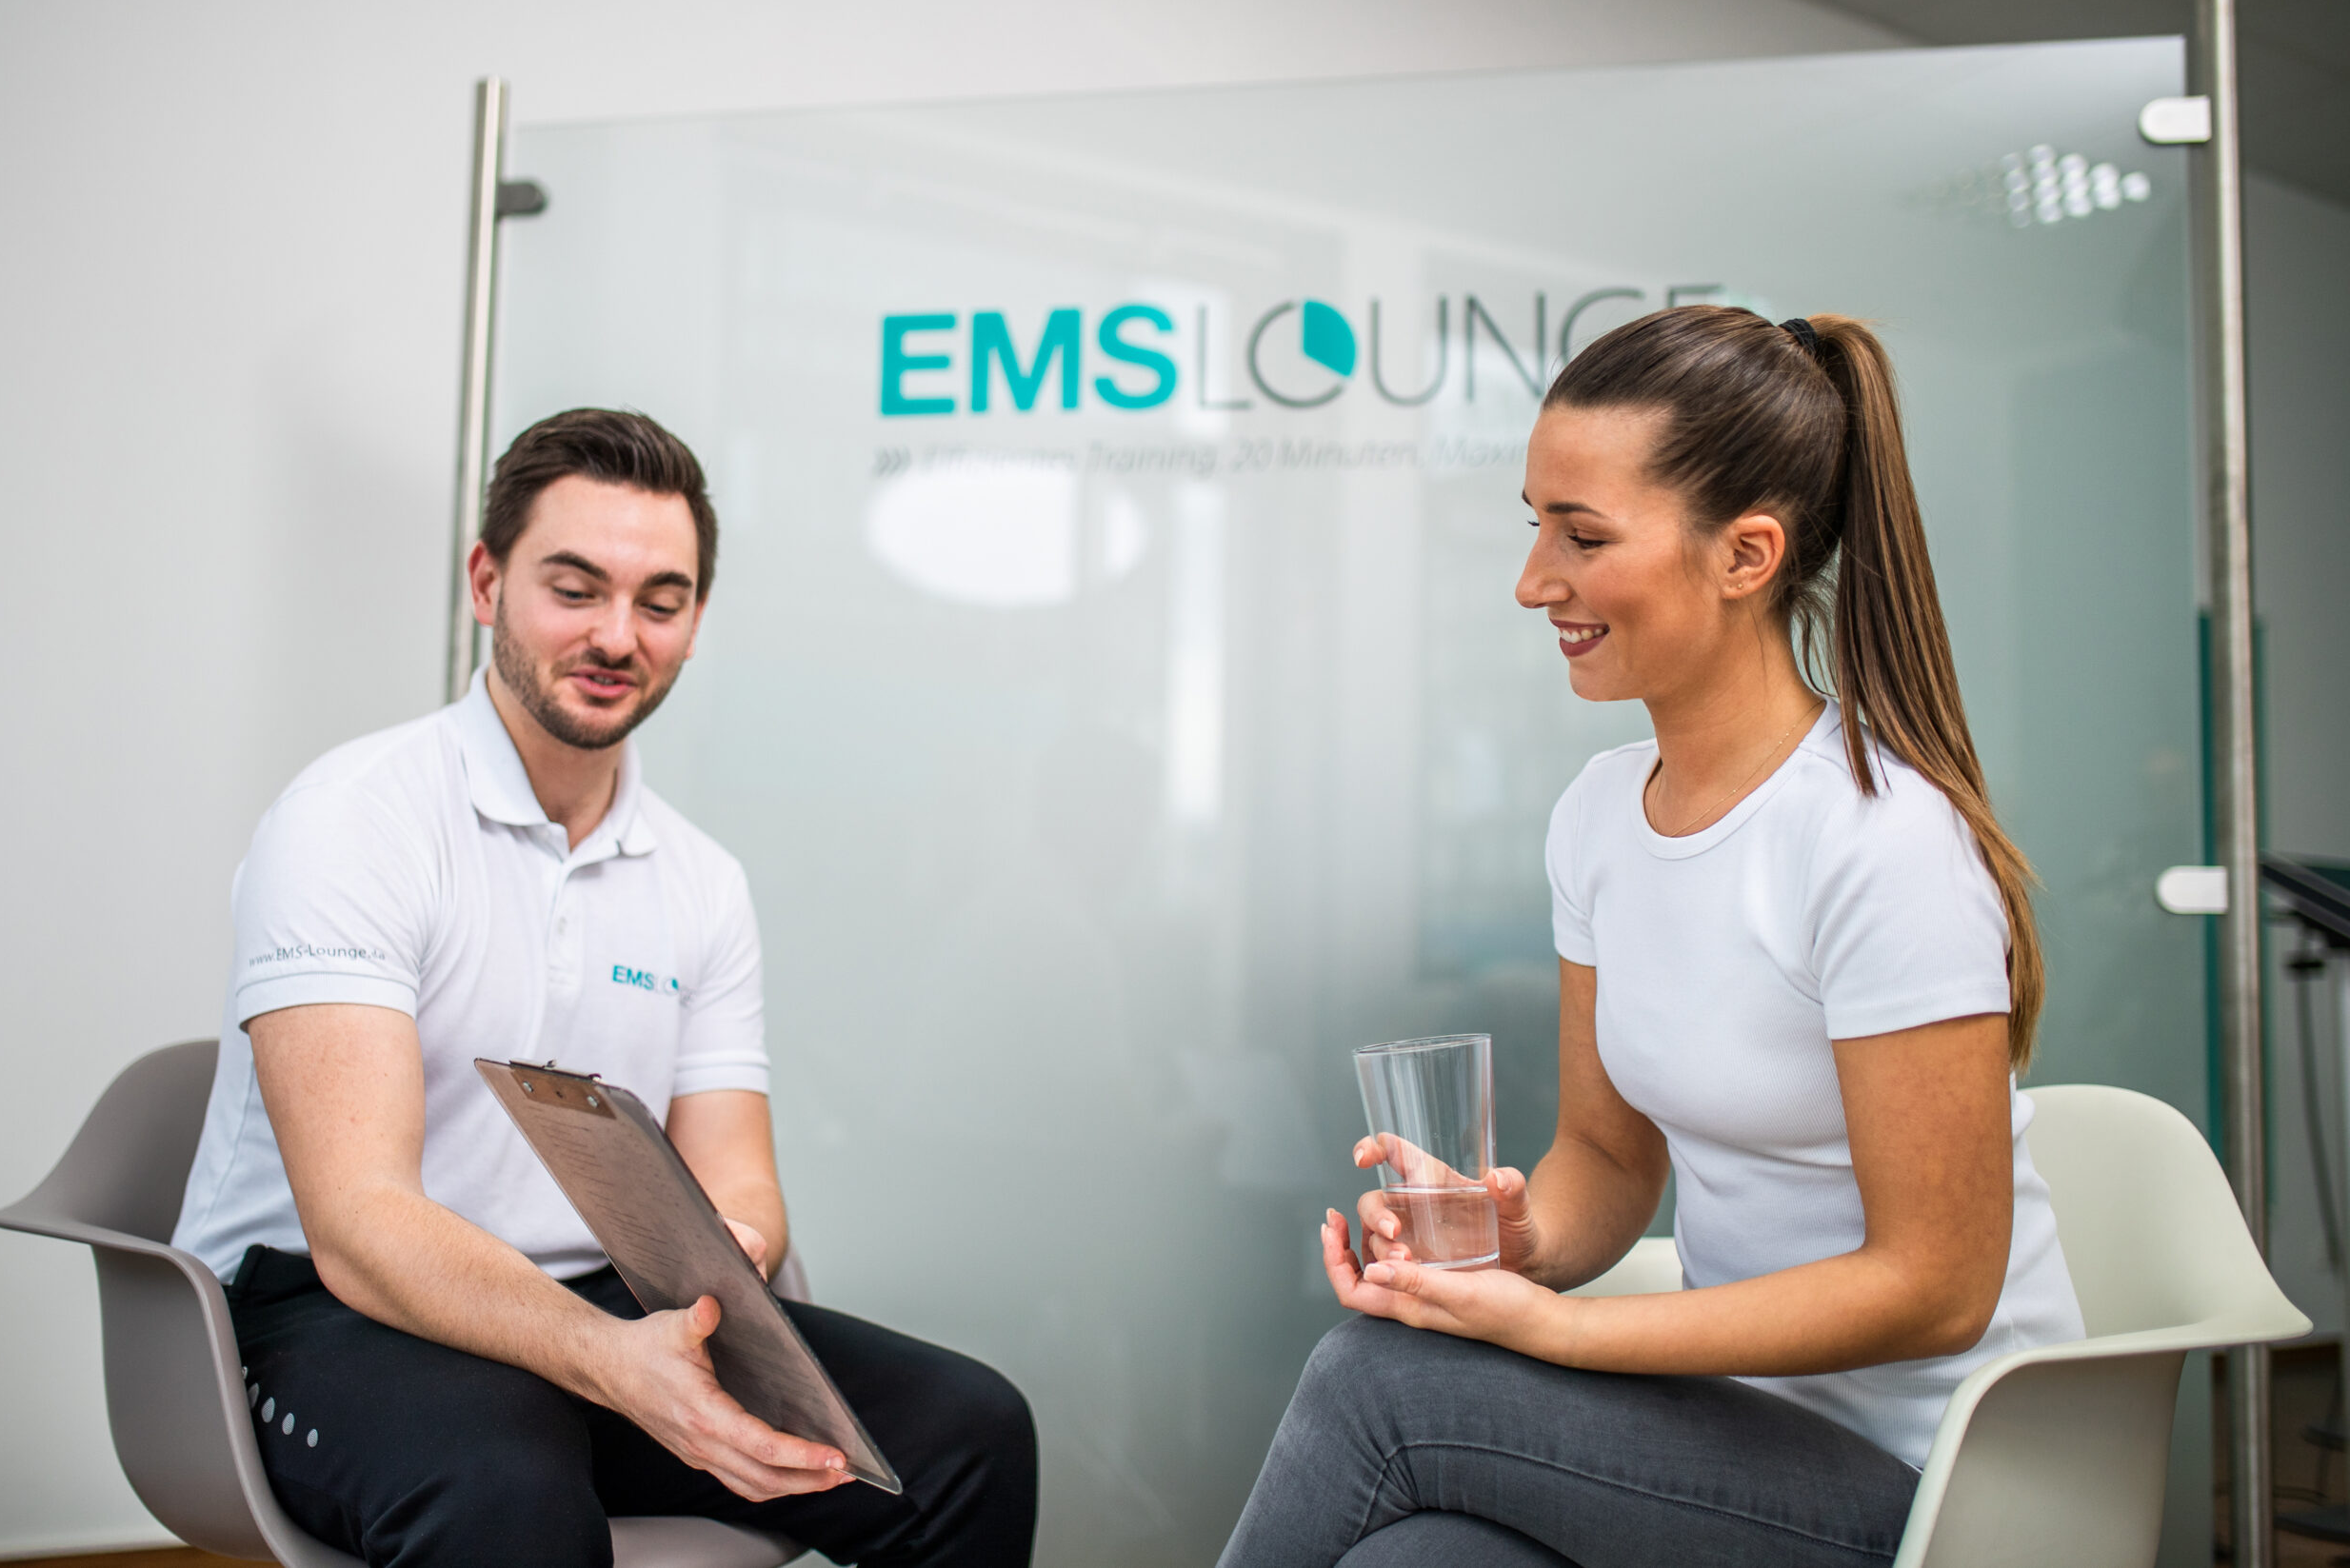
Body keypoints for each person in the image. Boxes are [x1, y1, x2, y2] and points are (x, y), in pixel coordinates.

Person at [1218, 308, 2084, 1568]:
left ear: (1745, 555)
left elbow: (1938, 1287)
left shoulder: (1880, 841)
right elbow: (1606, 1159)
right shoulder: (1599, 817)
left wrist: (1559, 1329)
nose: (1534, 581)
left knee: (1376, 1379)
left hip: (1941, 1478)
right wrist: (1506, 1243)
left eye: (1583, 535)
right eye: (1534, 525)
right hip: (1727, 1437)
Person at [172, 408, 1037, 1568]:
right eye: (574, 589)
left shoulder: (700, 879)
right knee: (504, 1486)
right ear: (487, 582)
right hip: (322, 1310)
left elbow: (738, 1176)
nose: (617, 635)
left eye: (659, 601)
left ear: (695, 621)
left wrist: (718, 1274)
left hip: (600, 1301)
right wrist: (608, 1360)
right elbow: (360, 1225)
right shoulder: (353, 821)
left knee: (971, 1433)